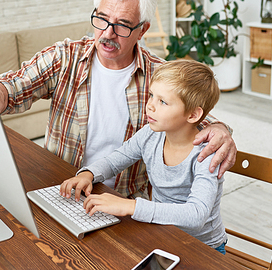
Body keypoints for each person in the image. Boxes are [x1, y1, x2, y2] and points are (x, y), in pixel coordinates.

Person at [0, 0, 236, 199]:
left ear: (142, 30)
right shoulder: (64, 57)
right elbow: (14, 87)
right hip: (59, 187)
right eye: (102, 19)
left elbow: (195, 115)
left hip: (124, 201)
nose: (108, 33)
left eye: (123, 25)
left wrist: (220, 129)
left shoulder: (159, 75)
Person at [60, 60, 227, 254]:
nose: (150, 106)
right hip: (161, 234)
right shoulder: (150, 134)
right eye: (151, 95)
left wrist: (129, 206)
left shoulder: (207, 155)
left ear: (192, 115)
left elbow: (196, 215)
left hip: (203, 249)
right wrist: (88, 174)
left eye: (162, 101)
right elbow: (115, 160)